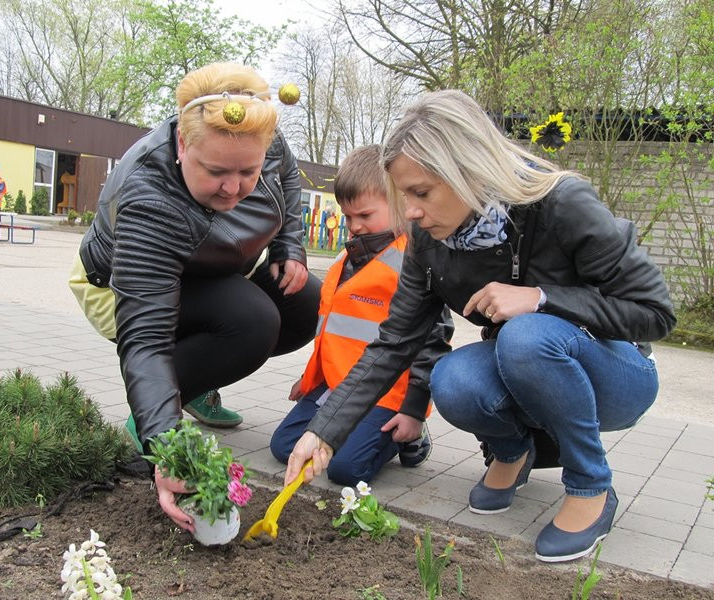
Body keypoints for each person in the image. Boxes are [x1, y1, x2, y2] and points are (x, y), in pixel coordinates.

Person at [285, 90, 676, 563]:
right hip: (528, 370)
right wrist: (323, 432)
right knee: (451, 378)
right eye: (404, 195)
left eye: (421, 193)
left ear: (466, 170)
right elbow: (393, 346)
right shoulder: (429, 244)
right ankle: (512, 452)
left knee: (525, 334)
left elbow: (655, 313)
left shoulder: (560, 204)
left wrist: (540, 298)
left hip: (618, 375)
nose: (409, 211)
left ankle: (591, 485)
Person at [69, 62, 321, 530]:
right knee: (252, 321)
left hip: (208, 269)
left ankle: (194, 383)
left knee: (303, 301)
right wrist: (164, 448)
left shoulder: (258, 132)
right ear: (183, 145)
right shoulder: (149, 194)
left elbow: (286, 178)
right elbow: (145, 338)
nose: (234, 188)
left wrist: (289, 245)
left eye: (248, 171)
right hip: (120, 287)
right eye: (216, 172)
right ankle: (155, 411)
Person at [270, 145, 451, 485]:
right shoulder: (345, 260)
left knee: (345, 470)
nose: (354, 227)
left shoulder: (413, 263)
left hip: (389, 394)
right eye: (348, 217)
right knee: (283, 447)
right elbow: (332, 332)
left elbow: (433, 341)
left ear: (399, 203)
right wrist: (311, 378)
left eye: (365, 216)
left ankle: (411, 439)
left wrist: (413, 409)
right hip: (338, 389)